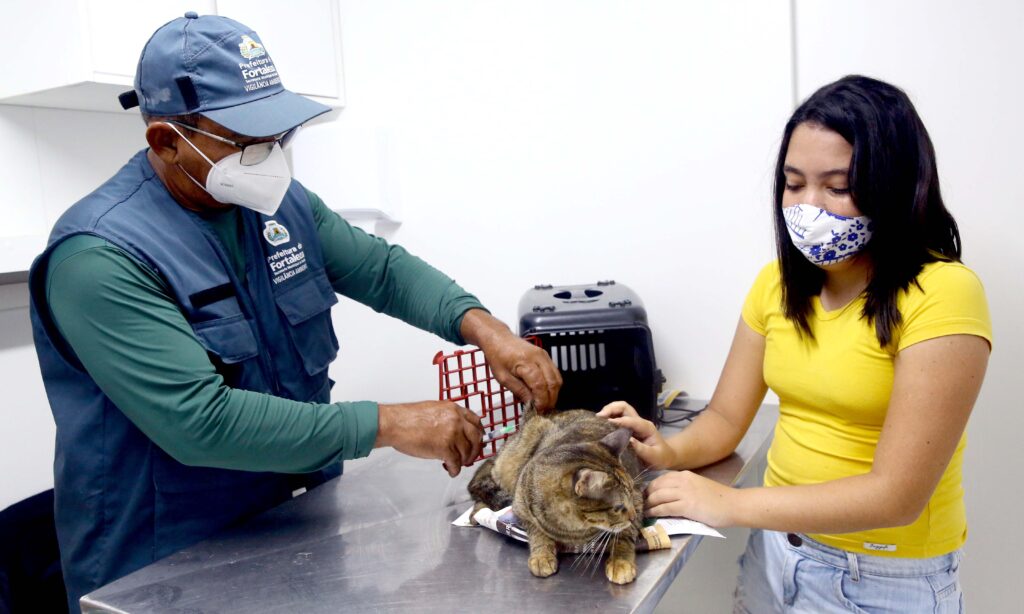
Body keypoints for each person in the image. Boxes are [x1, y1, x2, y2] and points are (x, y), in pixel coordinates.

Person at [27, 13, 561, 611]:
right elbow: (198, 421)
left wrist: (485, 330)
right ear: (167, 141)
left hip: (289, 524)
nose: (272, 155)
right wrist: (390, 423)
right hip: (162, 566)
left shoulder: (276, 204)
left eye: (279, 136)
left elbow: (381, 270)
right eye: (248, 141)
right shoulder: (99, 258)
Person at [599, 75, 991, 613]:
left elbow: (899, 496)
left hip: (879, 580)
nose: (808, 206)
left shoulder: (944, 293)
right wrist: (664, 452)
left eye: (837, 187)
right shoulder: (776, 284)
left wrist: (730, 504)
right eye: (793, 183)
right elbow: (724, 420)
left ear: (894, 184)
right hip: (776, 556)